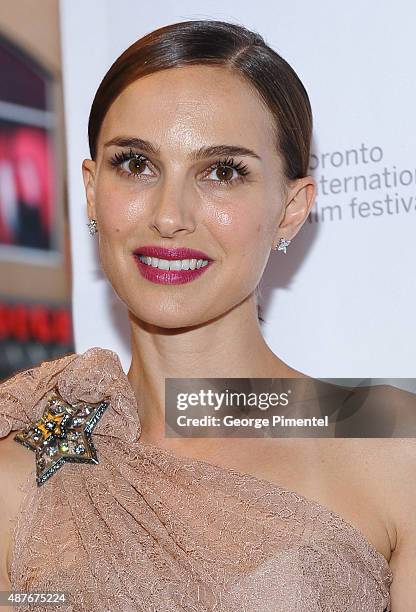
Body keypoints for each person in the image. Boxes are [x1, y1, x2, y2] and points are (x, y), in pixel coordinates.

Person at [0, 19, 414, 611]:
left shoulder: (391, 441)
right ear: (92, 191)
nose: (169, 215)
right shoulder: (20, 467)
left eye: (223, 172)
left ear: (291, 209)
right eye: (136, 165)